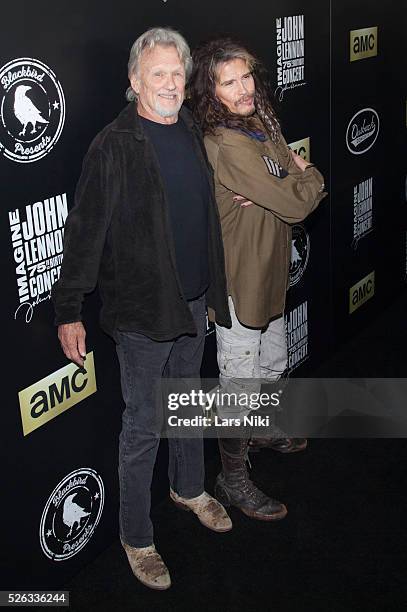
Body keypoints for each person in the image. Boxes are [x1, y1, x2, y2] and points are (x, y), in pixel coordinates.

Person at [52, 27, 233, 591]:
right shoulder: (114, 144)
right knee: (143, 424)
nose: (170, 85)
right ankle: (136, 536)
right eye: (158, 74)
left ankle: (188, 487)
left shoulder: (189, 130)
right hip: (141, 312)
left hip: (193, 301)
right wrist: (68, 308)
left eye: (177, 74)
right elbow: (84, 231)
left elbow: (198, 212)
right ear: (135, 81)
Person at [189, 37, 327, 521]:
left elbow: (286, 175)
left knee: (274, 363)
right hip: (239, 282)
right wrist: (306, 180)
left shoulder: (259, 124)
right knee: (240, 384)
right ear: (211, 91)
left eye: (247, 76)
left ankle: (261, 432)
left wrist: (285, 182)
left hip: (270, 272)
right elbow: (297, 195)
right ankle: (232, 478)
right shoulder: (225, 141)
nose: (244, 88)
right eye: (230, 82)